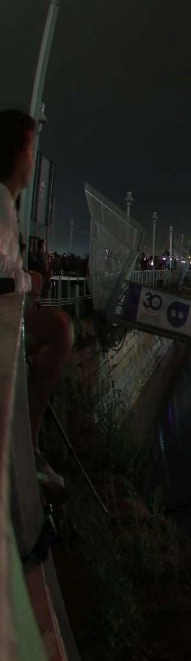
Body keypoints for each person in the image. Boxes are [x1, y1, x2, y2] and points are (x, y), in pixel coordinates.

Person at [0, 110, 73, 491]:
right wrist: (31, 279)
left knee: (59, 328)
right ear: (15, 154)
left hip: (11, 319)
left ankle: (29, 439)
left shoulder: (8, 205)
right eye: (30, 149)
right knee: (61, 329)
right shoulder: (0, 203)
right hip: (4, 324)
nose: (33, 159)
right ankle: (28, 442)